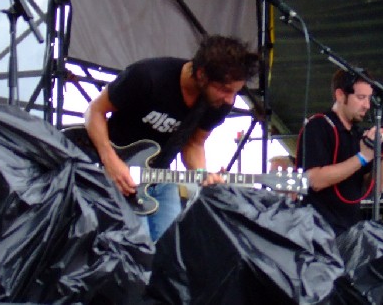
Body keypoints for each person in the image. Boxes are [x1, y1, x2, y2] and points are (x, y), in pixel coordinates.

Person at [84, 34, 259, 241]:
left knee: (171, 250)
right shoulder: (148, 76)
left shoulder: (218, 104)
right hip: (117, 176)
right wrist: (110, 160)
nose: (230, 100)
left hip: (161, 179)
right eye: (224, 90)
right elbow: (95, 112)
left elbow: (194, 143)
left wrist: (201, 173)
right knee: (138, 249)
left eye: (235, 92)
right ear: (202, 74)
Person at [297, 69, 383, 236]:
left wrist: (380, 155)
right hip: (317, 233)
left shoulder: (358, 134)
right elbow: (314, 180)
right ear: (340, 95)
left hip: (349, 234)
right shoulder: (318, 126)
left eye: (369, 98)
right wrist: (362, 157)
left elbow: (375, 189)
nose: (367, 105)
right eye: (361, 98)